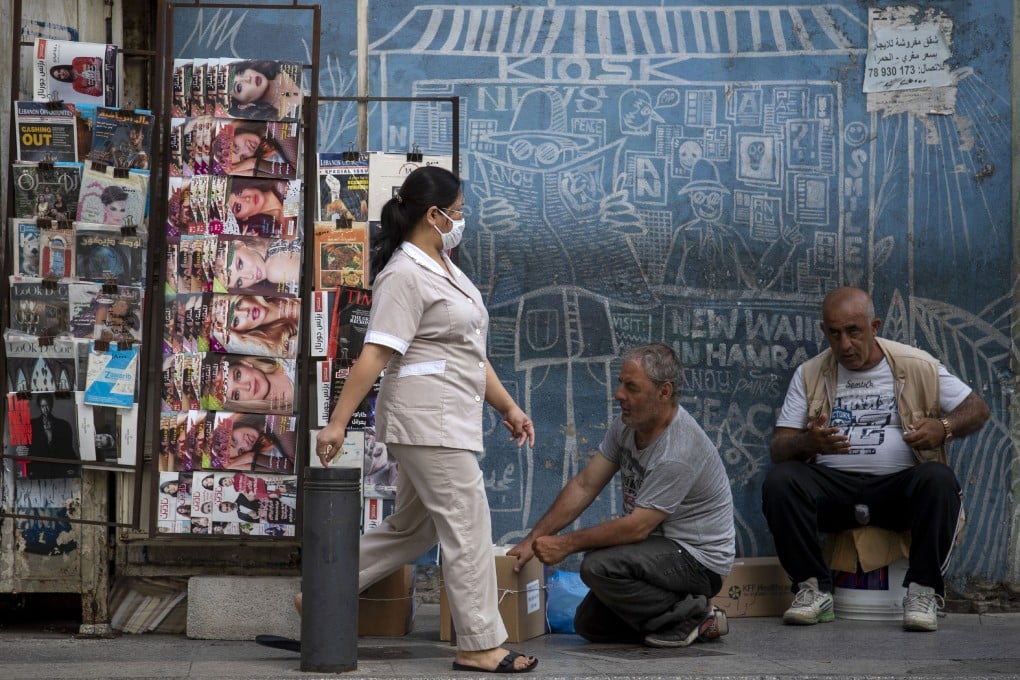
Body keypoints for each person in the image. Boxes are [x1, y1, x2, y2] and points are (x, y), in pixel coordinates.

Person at [311, 166, 538, 673]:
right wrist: (337, 424)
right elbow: (374, 354)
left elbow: (469, 352)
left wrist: (507, 406)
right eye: (457, 213)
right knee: (468, 525)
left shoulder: (443, 266)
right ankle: (479, 643)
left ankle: (322, 594)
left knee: (415, 529)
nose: (461, 220)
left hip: (446, 414)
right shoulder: (404, 275)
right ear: (433, 215)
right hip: (427, 421)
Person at [762, 287, 990, 632]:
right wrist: (810, 442)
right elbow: (779, 448)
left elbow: (977, 409)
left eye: (854, 332)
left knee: (938, 479)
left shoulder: (917, 365)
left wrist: (943, 428)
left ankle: (923, 592)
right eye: (834, 334)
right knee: (781, 481)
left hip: (898, 491)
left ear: (874, 326)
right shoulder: (809, 373)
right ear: (824, 332)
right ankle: (812, 590)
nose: (845, 345)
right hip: (835, 494)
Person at [509, 343, 735, 648]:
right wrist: (532, 540)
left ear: (664, 392)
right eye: (620, 383)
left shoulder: (678, 449)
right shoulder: (628, 426)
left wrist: (566, 544)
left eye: (631, 387)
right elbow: (586, 484)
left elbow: (637, 527)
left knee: (598, 565)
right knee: (590, 625)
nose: (619, 394)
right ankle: (677, 616)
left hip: (697, 560)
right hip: (660, 551)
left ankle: (693, 613)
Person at [211, 294, 300, 357]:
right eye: (236, 321)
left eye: (238, 304)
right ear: (241, 331)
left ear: (243, 296)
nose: (245, 312)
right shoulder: (280, 344)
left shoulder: (276, 285)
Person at [214, 236, 301, 296]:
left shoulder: (273, 269)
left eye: (240, 265)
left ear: (239, 244)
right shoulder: (277, 240)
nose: (249, 276)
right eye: (239, 282)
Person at [211, 120, 298, 178]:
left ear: (235, 132)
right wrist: (251, 164)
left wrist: (252, 164)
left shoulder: (274, 125)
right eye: (243, 157)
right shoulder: (270, 137)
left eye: (236, 146)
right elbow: (291, 174)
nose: (247, 150)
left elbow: (294, 173)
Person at [227, 59, 302, 120]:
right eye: (239, 87)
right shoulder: (280, 121)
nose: (248, 78)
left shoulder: (286, 65)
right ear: (243, 105)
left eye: (241, 72)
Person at [27, 393, 80, 479]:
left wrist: (72, 467)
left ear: (52, 405)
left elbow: (68, 449)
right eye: (43, 406)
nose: (46, 409)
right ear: (39, 407)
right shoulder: (31, 425)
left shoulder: (63, 425)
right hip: (38, 469)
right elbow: (28, 449)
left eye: (48, 405)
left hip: (59, 469)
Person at [220, 356, 295, 414]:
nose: (247, 386)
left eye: (238, 375)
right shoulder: (279, 422)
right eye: (236, 395)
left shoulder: (291, 356)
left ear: (245, 364)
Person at [226, 177, 297, 237]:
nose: (246, 198)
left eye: (239, 192)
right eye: (238, 207)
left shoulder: (283, 183)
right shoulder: (279, 232)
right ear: (244, 218)